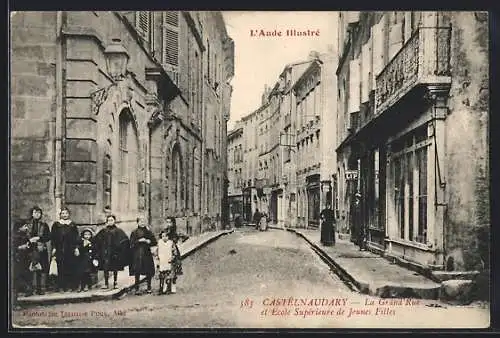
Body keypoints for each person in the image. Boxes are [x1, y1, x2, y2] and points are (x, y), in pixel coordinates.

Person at [94, 215, 130, 289]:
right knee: (105, 267)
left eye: (112, 220)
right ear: (106, 222)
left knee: (115, 268)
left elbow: (125, 240)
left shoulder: (118, 231)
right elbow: (96, 239)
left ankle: (115, 282)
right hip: (106, 252)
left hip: (115, 253)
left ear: (114, 221)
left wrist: (120, 249)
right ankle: (106, 283)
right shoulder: (104, 231)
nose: (110, 222)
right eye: (109, 220)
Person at [51, 207, 80, 292]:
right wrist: (54, 248)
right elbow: (53, 237)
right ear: (60, 215)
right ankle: (60, 286)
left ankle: (71, 286)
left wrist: (76, 248)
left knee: (70, 267)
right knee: (60, 267)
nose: (64, 215)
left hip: (70, 249)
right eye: (63, 213)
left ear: (69, 214)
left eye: (66, 213)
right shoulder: (56, 225)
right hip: (59, 249)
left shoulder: (72, 224)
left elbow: (76, 237)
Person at [23, 206, 51, 295]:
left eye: (39, 213)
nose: (37, 214)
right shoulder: (26, 224)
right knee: (29, 268)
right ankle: (29, 289)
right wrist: (29, 240)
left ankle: (40, 289)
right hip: (29, 248)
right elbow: (21, 235)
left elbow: (48, 236)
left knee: (41, 268)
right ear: (32, 213)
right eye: (35, 212)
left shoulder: (44, 225)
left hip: (41, 248)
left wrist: (39, 238)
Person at [129, 216, 157, 295]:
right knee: (137, 271)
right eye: (141, 221)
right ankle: (137, 288)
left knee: (148, 271)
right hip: (137, 254)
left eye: (144, 221)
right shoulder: (134, 232)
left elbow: (154, 241)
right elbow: (131, 243)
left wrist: (149, 241)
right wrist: (138, 241)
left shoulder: (148, 231)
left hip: (146, 253)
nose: (142, 223)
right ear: (137, 222)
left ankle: (149, 287)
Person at [165, 217, 184, 294]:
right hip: (166, 250)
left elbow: (184, 236)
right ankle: (167, 286)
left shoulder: (175, 231)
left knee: (173, 268)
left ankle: (173, 285)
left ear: (173, 223)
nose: (168, 224)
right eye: (167, 222)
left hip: (173, 251)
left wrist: (178, 242)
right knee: (166, 269)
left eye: (170, 222)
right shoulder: (165, 231)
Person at [77, 228, 98, 292]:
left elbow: (95, 251)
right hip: (82, 259)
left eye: (88, 234)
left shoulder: (93, 242)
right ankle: (80, 285)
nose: (87, 236)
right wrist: (84, 245)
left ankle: (87, 285)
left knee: (88, 272)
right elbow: (79, 250)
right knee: (81, 272)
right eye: (85, 234)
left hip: (90, 259)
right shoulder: (81, 241)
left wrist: (95, 258)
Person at [14, 222, 32, 296]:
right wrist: (21, 247)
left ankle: (27, 289)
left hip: (25, 257)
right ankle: (24, 288)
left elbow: (28, 245)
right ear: (19, 228)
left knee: (26, 273)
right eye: (25, 226)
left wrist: (28, 245)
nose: (26, 228)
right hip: (18, 258)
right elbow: (13, 247)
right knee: (18, 274)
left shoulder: (25, 235)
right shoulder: (14, 236)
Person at [156, 229, 174, 295]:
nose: (164, 238)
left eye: (166, 236)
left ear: (168, 237)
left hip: (168, 261)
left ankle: (168, 289)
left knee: (168, 276)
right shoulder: (159, 243)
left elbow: (174, 252)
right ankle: (161, 289)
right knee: (161, 276)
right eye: (163, 236)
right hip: (162, 261)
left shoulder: (171, 243)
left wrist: (172, 258)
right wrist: (157, 259)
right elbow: (157, 252)